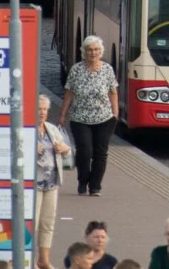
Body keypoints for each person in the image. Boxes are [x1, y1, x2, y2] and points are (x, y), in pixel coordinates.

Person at [60, 36, 118, 197]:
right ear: (84, 52)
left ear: (101, 51)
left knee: (101, 152)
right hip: (80, 118)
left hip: (104, 118)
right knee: (85, 150)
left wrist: (115, 113)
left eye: (96, 49)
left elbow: (113, 92)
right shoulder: (76, 69)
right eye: (90, 50)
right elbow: (69, 92)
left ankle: (95, 186)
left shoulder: (107, 69)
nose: (93, 53)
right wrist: (63, 114)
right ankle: (82, 180)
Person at [34, 94, 70, 269]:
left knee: (48, 223)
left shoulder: (51, 129)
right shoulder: (27, 130)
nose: (42, 113)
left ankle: (44, 260)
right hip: (34, 185)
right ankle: (29, 258)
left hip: (51, 183)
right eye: (39, 109)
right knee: (32, 223)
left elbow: (68, 152)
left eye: (44, 110)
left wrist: (64, 148)